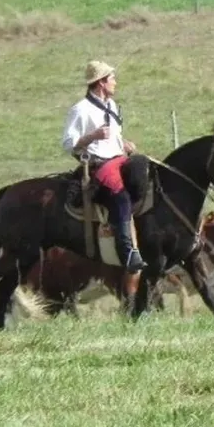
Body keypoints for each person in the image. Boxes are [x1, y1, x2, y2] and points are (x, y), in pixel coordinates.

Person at [61, 60, 146, 273]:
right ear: (100, 83)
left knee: (145, 174)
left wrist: (123, 144)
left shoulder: (112, 106)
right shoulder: (80, 110)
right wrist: (92, 136)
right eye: (112, 79)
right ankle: (127, 253)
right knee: (120, 196)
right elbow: (68, 144)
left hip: (119, 159)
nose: (115, 82)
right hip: (100, 166)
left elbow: (112, 139)